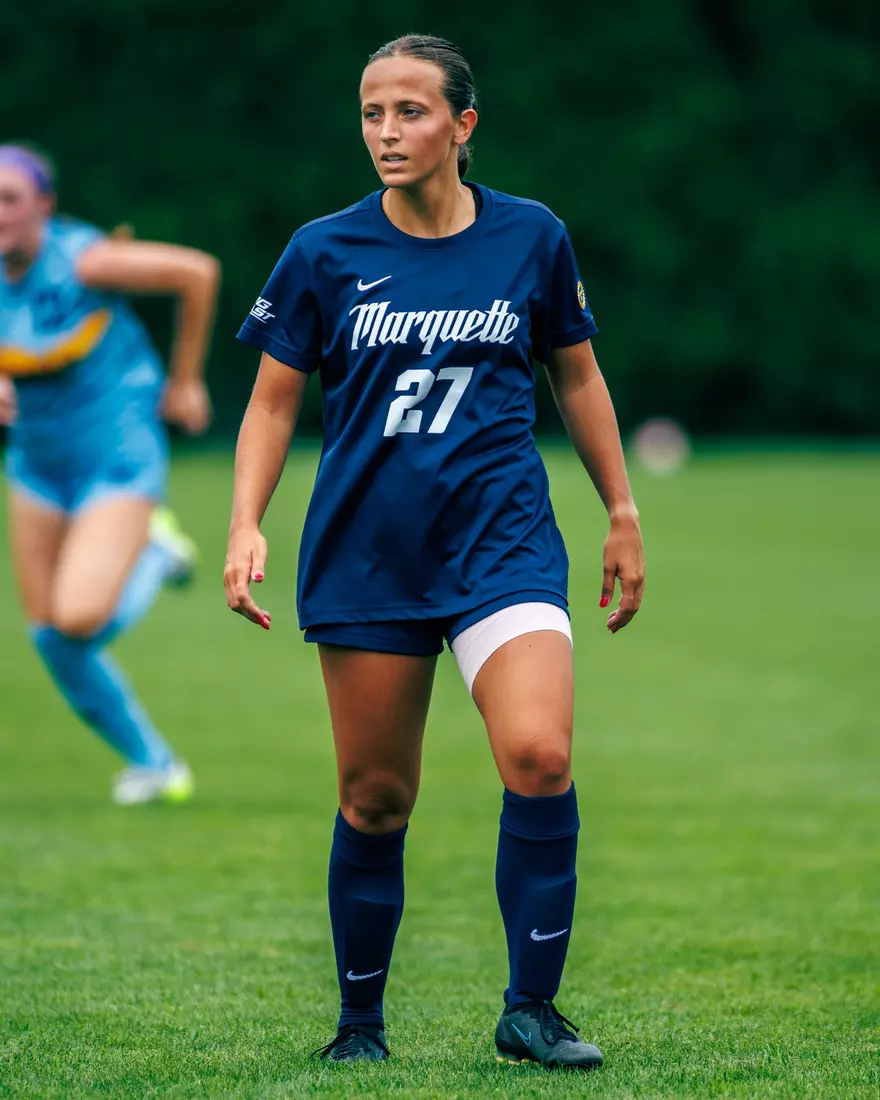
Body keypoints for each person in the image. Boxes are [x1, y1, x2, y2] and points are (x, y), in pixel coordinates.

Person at [226, 35, 644, 1069]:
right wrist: (245, 520)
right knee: (376, 798)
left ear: (463, 124)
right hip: (368, 553)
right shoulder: (321, 251)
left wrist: (622, 508)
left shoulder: (531, 235)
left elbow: (576, 375)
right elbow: (272, 402)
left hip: (503, 542)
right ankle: (359, 1024)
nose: (386, 131)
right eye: (372, 112)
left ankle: (531, 1010)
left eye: (410, 111)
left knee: (539, 755)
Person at [0, 144, 219, 805]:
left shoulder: (87, 261)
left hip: (117, 453)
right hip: (37, 465)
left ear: (44, 206)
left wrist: (185, 381)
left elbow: (197, 272)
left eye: (9, 198)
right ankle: (155, 764)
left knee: (77, 619)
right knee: (50, 638)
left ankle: (153, 553)